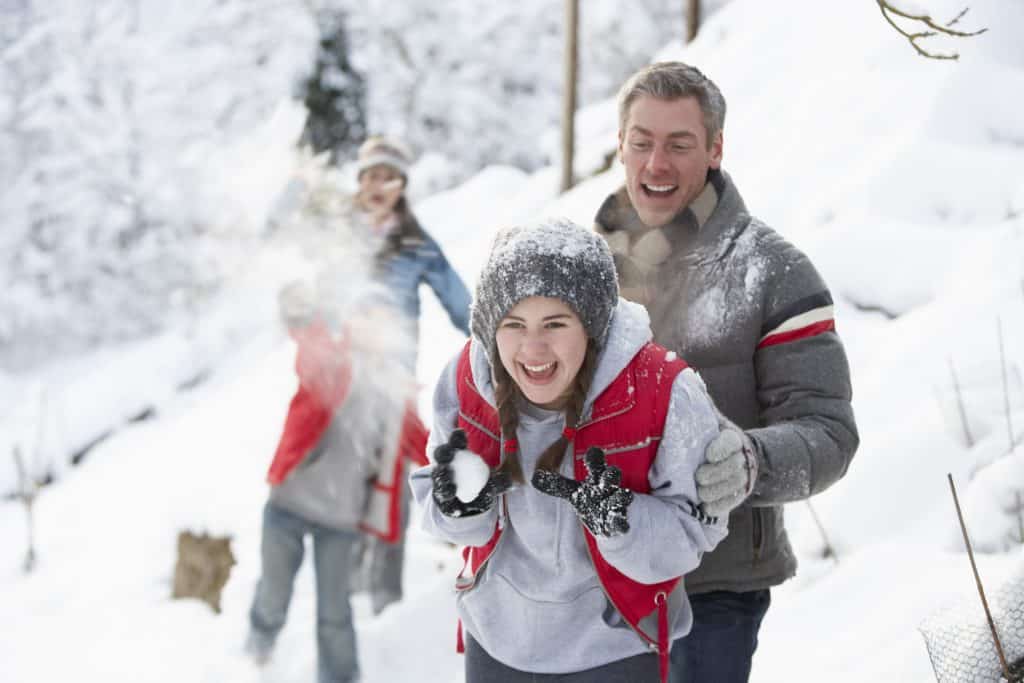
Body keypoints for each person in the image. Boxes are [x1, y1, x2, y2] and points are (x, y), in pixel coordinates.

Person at [593, 61, 859, 683]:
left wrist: (750, 463)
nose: (656, 164)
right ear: (621, 146)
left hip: (710, 589)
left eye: (679, 145)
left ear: (714, 149)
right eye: (642, 142)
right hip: (593, 579)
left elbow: (829, 433)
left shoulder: (772, 272)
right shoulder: (586, 267)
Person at [410, 218, 741, 683]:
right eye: (513, 324)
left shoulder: (663, 390)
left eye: (555, 323)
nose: (532, 347)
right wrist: (456, 506)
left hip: (614, 651)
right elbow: (435, 495)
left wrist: (621, 522)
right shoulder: (468, 380)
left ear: (592, 324)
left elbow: (695, 531)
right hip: (496, 644)